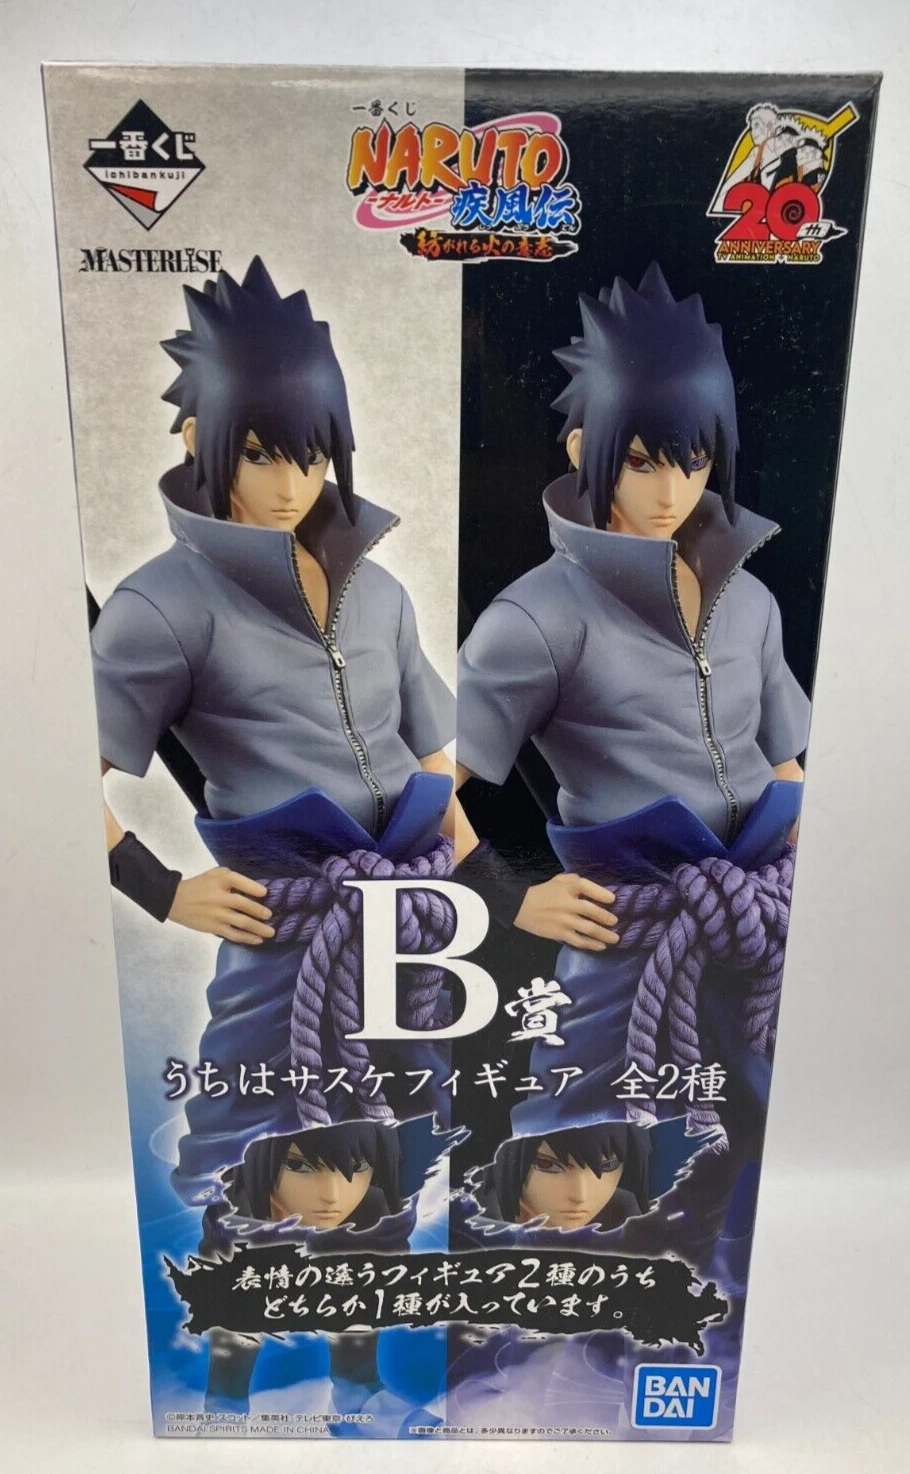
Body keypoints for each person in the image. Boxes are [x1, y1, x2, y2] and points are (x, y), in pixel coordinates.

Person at [93, 257, 461, 1199]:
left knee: (416, 1119)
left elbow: (431, 748)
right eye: (260, 454)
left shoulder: (379, 592)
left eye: (313, 453)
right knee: (239, 1129)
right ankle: (223, 1272)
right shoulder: (160, 607)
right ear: (199, 440)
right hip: (285, 911)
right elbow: (59, 775)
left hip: (411, 904)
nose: (293, 483)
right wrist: (161, 889)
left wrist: (465, 862)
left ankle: (384, 1261)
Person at [456, 263, 809, 1133]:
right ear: (585, 451)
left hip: (757, 926)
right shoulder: (536, 619)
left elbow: (785, 763)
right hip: (626, 935)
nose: (670, 493)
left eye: (694, 461)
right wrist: (509, 894)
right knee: (569, 1150)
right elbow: (421, 782)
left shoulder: (750, 601)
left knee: (749, 1152)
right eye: (643, 462)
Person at [469, 1122, 651, 1232]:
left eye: (608, 1165)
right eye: (547, 1164)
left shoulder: (628, 1220)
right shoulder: (466, 1223)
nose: (581, 1196)